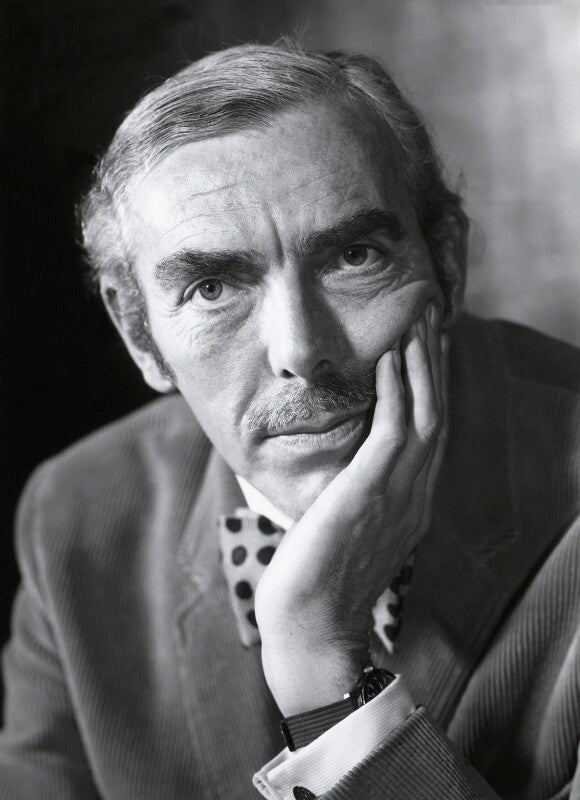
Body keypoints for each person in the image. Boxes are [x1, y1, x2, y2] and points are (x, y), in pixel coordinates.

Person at [1, 42, 578, 800]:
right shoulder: (76, 516)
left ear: (446, 262)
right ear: (139, 335)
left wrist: (321, 663)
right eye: (213, 288)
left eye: (354, 256)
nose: (301, 352)